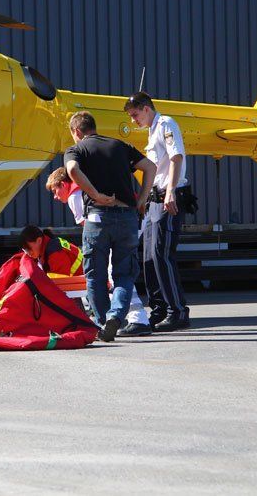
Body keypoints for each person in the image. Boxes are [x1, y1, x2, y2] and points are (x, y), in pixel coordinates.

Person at [64, 111, 156, 342]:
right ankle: (115, 315)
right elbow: (150, 167)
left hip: (97, 217)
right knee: (124, 273)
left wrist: (95, 194)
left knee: (95, 275)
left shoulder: (76, 150)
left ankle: (104, 322)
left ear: (77, 131)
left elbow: (72, 169)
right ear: (93, 127)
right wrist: (142, 199)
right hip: (127, 216)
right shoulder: (120, 146)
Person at [46, 168, 152, 336]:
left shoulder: (74, 196)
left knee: (114, 271)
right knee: (121, 271)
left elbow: (90, 231)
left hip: (126, 219)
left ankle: (136, 319)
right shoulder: (82, 187)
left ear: (64, 184)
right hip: (130, 215)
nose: (55, 197)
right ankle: (128, 316)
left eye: (55, 191)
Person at [125, 92, 193, 331]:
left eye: (135, 115)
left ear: (146, 108)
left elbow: (176, 157)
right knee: (148, 257)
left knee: (161, 254)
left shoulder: (166, 124)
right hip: (155, 199)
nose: (133, 120)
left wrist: (171, 191)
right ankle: (159, 310)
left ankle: (178, 312)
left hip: (167, 197)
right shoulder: (152, 130)